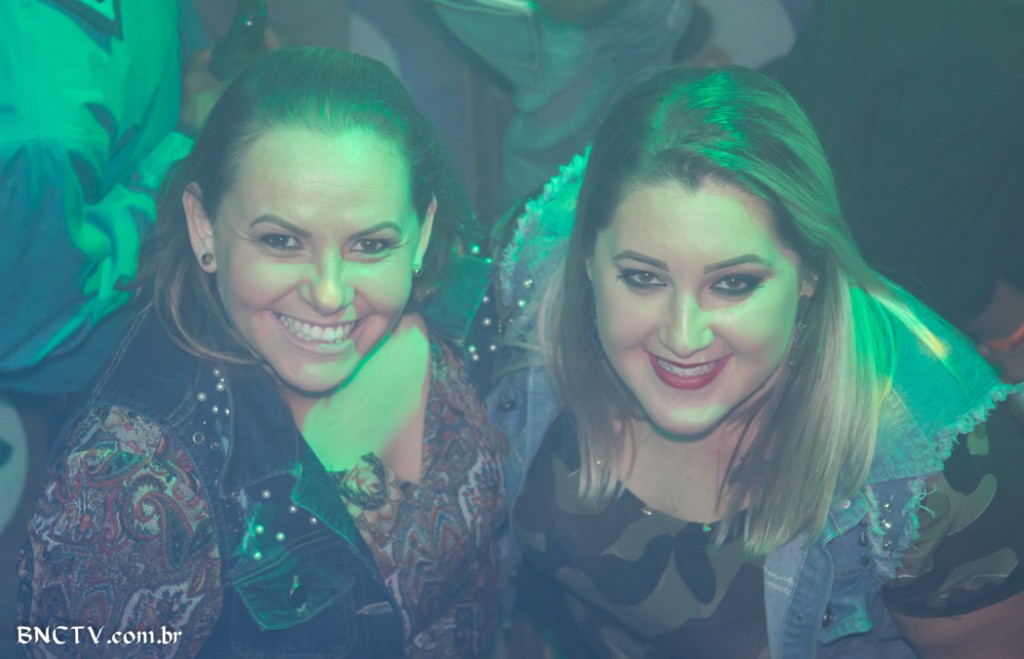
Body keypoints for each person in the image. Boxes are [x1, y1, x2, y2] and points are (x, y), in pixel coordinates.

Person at [486, 67, 1024, 657]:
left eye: (733, 283)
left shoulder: (935, 465)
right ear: (587, 258)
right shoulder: (533, 280)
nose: (683, 337)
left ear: (811, 271)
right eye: (642, 278)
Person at [20, 47, 505, 658]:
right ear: (204, 227)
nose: (329, 294)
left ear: (423, 232)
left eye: (370, 245)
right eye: (281, 240)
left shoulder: (458, 308)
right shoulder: (132, 483)